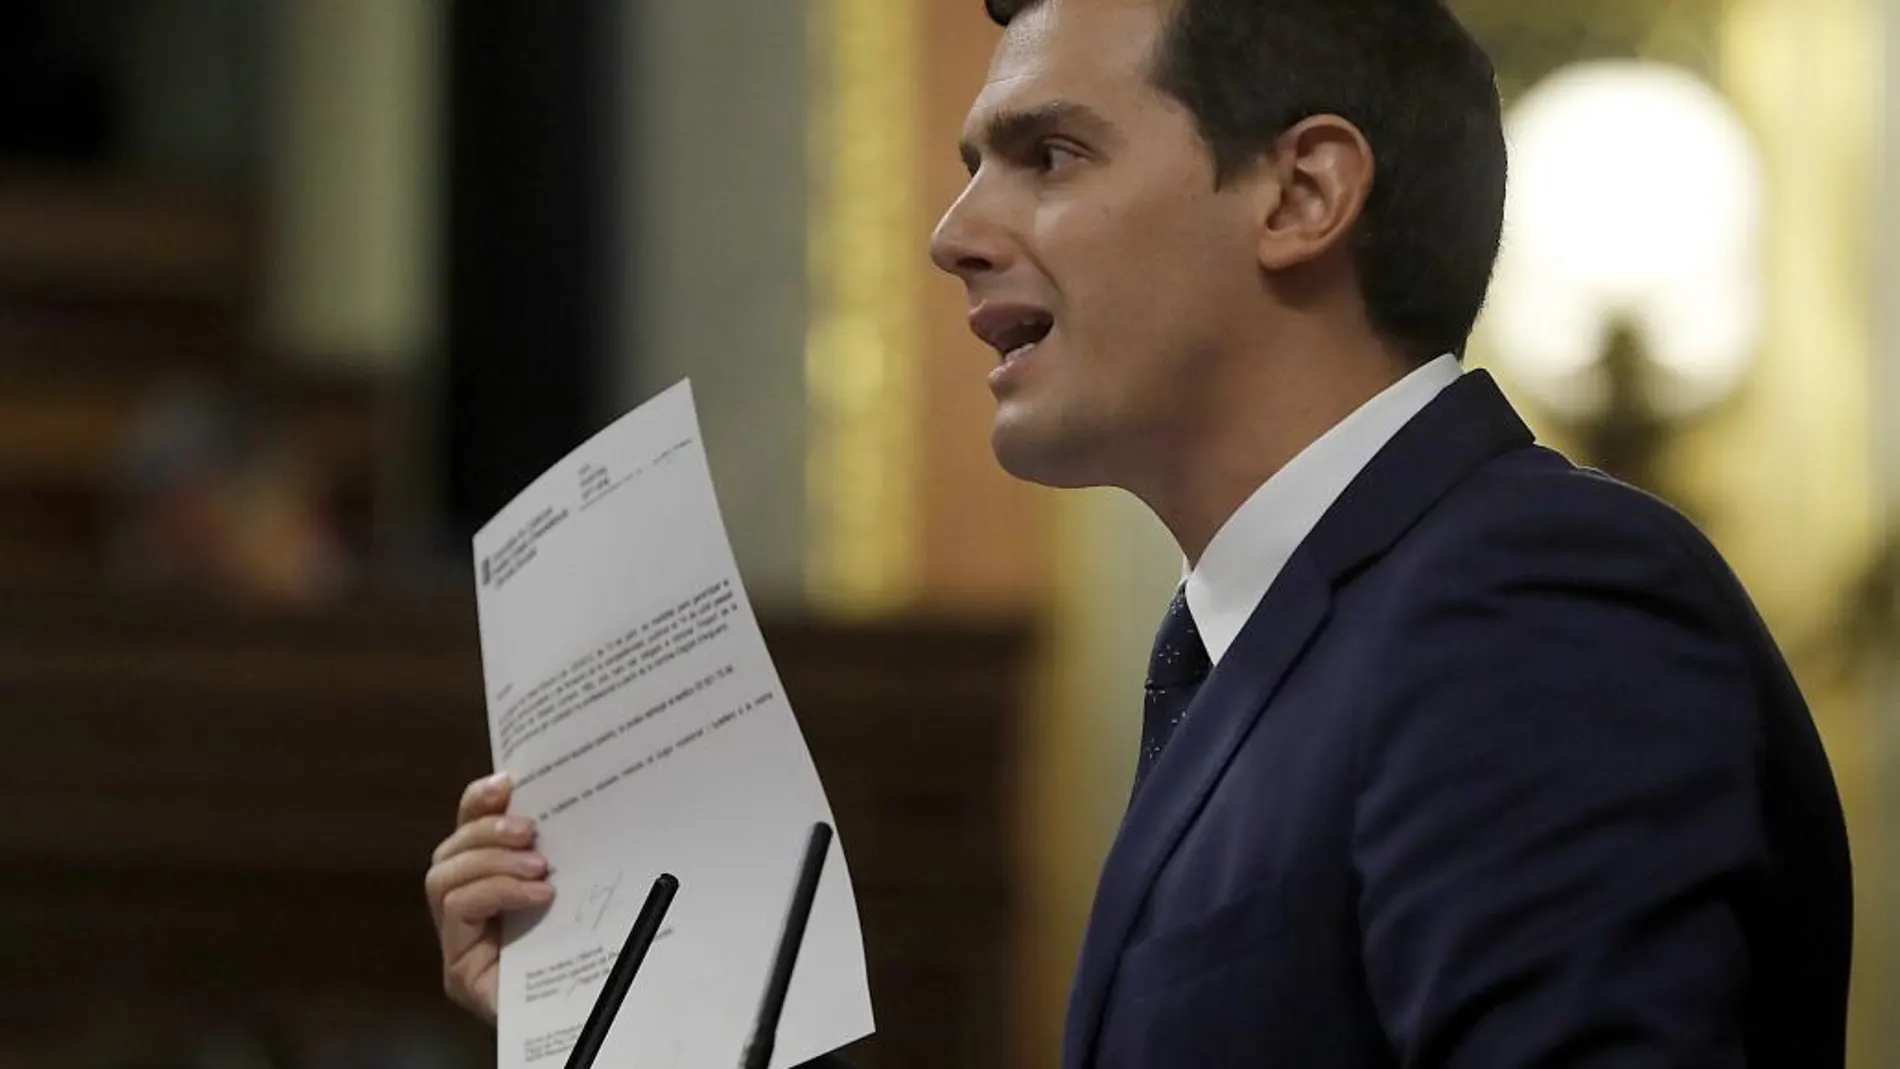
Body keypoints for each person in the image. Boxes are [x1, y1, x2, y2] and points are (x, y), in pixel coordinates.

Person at [427, 0, 1855, 1064]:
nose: (954, 230)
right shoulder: (1277, 645)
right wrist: (647, 1030)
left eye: (1046, 153)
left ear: (1302, 193)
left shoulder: (1530, 599)